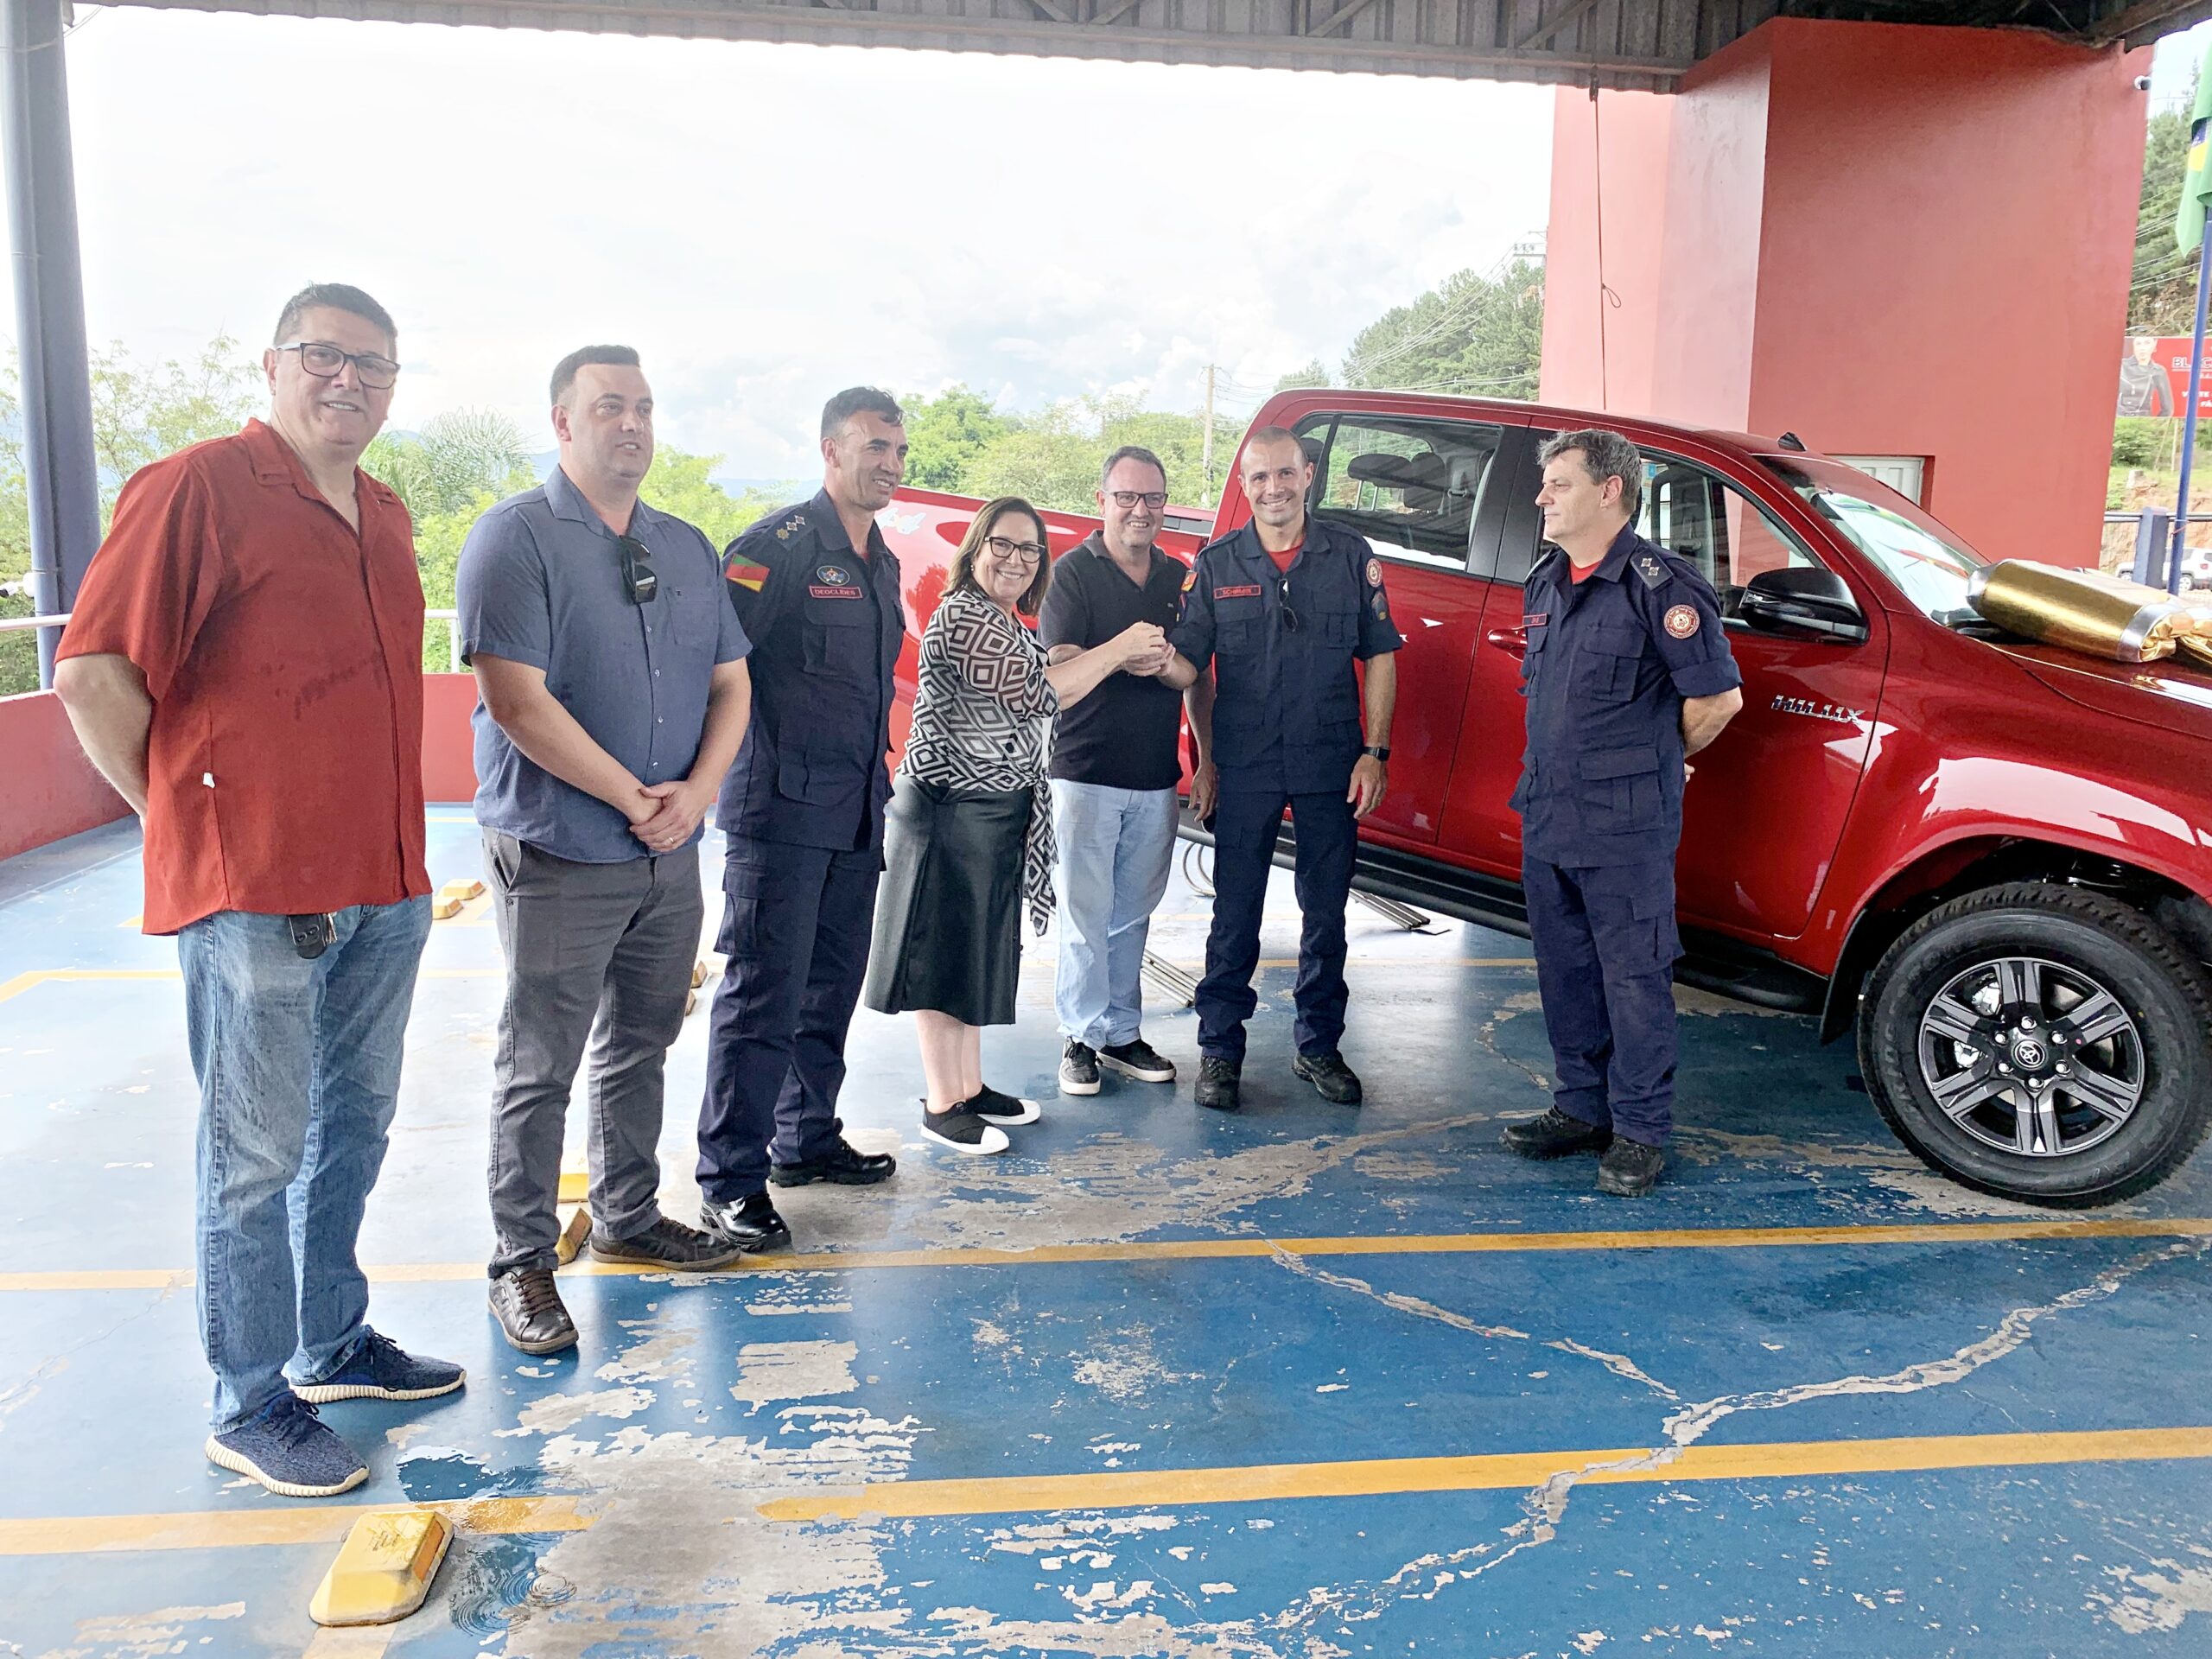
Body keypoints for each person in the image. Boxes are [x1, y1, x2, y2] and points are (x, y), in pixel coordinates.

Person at [53, 282, 461, 1498]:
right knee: (252, 1157)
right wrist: (187, 819)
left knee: (353, 1129)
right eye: (326, 357)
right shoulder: (197, 489)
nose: (352, 382)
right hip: (255, 897)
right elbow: (92, 674)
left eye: (376, 367)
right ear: (274, 365)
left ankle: (331, 1343)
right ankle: (247, 1398)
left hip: (381, 886)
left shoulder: (381, 513)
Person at [459, 345, 754, 1356]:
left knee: (643, 1038)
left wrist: (698, 794)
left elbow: (731, 685)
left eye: (642, 407)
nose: (630, 423)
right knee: (537, 1062)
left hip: (669, 854)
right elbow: (516, 700)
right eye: (606, 407)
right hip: (560, 850)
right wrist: (636, 797)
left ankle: (628, 1216)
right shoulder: (516, 539)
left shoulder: (684, 545)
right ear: (562, 422)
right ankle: (522, 1262)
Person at [863, 498, 1166, 1153]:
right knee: (942, 964)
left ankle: (969, 1089)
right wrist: (1118, 649)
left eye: (1029, 550)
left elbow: (1044, 679)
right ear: (975, 549)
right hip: (948, 810)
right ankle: (943, 1104)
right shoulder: (963, 617)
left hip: (991, 812)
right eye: (1002, 544)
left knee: (972, 958)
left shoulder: (1003, 617)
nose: (1015, 559)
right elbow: (1038, 692)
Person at [693, 388, 912, 1253]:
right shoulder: (776, 549)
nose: (889, 464)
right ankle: (729, 1180)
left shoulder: (881, 561)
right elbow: (712, 667)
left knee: (830, 986)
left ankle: (804, 1139)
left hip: (856, 809)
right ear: (830, 450)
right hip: (779, 814)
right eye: (874, 447)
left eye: (898, 450)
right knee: (760, 999)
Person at [1499, 429, 1744, 1197]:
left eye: (1558, 484)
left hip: (1624, 824)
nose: (1541, 497)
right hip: (1548, 812)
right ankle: (1581, 1106)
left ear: (1610, 491)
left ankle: (1639, 1129)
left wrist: (1656, 758)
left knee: (1633, 977)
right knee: (1564, 971)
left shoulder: (1659, 586)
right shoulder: (1545, 581)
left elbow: (1716, 699)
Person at [1159, 427, 1402, 1114]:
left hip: (1331, 762)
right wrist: (1201, 760)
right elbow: (1191, 669)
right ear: (1244, 486)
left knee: (1325, 915)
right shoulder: (1215, 565)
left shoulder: (1350, 558)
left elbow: (1380, 654)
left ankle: (1319, 1046)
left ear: (1308, 474)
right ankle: (1220, 1050)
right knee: (1234, 914)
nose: (1274, 488)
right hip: (1244, 764)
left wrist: (1374, 751)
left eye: (1285, 474)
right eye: (1259, 477)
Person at [1040, 446, 1215, 1097]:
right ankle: (1079, 1039)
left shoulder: (1180, 577)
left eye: (1152, 499)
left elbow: (1194, 675)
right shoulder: (1073, 574)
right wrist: (1122, 651)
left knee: (1132, 915)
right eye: (1126, 497)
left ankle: (1120, 1034)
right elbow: (1059, 667)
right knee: (1085, 916)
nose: (1140, 510)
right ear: (1102, 501)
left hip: (1153, 777)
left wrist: (1204, 760)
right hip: (1084, 773)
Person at [2118, 336, 2176, 419]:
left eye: (2147, 343)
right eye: (2138, 344)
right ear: (2133, 346)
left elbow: (2168, 408)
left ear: (2154, 345)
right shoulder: (2120, 365)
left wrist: (2153, 425)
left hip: (2142, 422)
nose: (2142, 348)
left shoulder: (2158, 371)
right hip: (2119, 421)